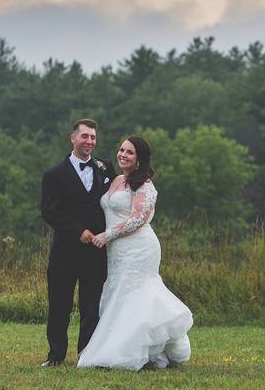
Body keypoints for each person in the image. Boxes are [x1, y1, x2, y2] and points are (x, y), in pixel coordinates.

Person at [77, 136, 193, 370]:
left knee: (136, 294)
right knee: (119, 293)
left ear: (139, 158)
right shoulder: (117, 179)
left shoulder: (145, 185)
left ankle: (137, 352)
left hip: (139, 247)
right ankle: (136, 350)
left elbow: (138, 219)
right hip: (117, 252)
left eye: (129, 152)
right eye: (121, 150)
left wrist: (106, 235)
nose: (123, 155)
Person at [39, 119, 116, 367]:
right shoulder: (54, 175)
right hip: (65, 251)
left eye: (93, 137)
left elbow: (116, 198)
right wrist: (77, 231)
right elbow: (49, 211)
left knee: (91, 305)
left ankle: (87, 355)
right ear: (73, 138)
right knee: (59, 304)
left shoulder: (105, 168)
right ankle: (56, 355)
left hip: (96, 251)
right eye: (84, 136)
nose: (89, 141)